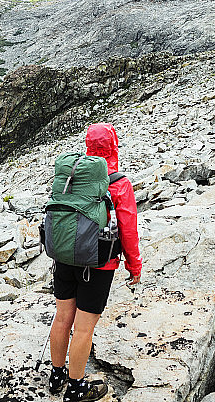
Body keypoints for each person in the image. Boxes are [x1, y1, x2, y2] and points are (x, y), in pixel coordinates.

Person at [48, 123, 142, 401]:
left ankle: (57, 377)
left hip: (64, 258)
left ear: (88, 144)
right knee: (84, 327)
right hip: (98, 264)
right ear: (114, 145)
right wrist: (133, 265)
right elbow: (128, 229)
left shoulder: (73, 174)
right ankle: (76, 388)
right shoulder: (119, 183)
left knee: (63, 317)